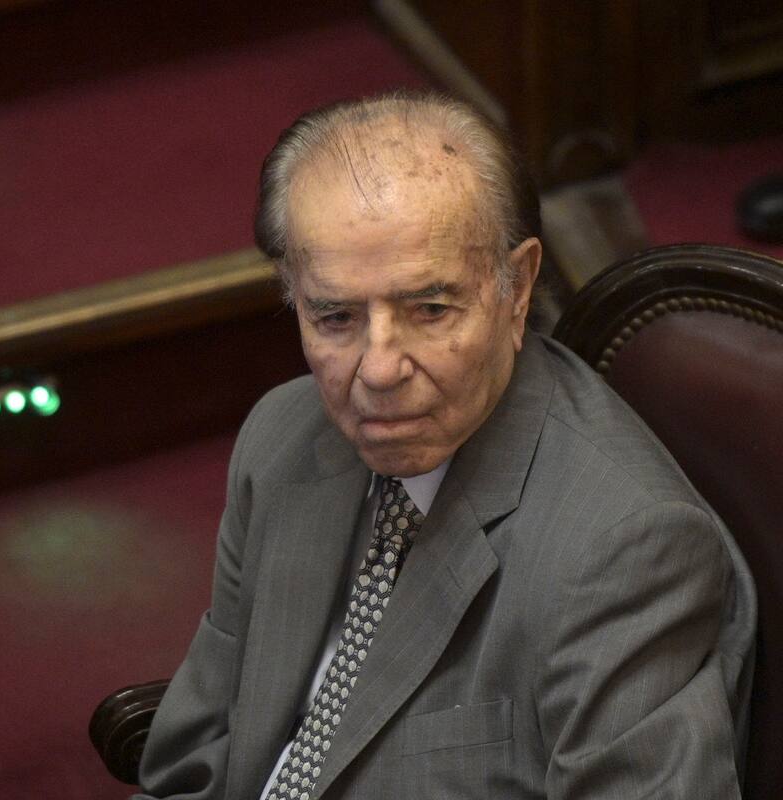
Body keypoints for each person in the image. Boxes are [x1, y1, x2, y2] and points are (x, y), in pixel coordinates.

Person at [132, 91, 756, 799]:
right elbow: (195, 761)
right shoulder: (279, 437)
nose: (378, 370)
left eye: (430, 309)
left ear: (517, 288)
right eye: (335, 317)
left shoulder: (625, 550)